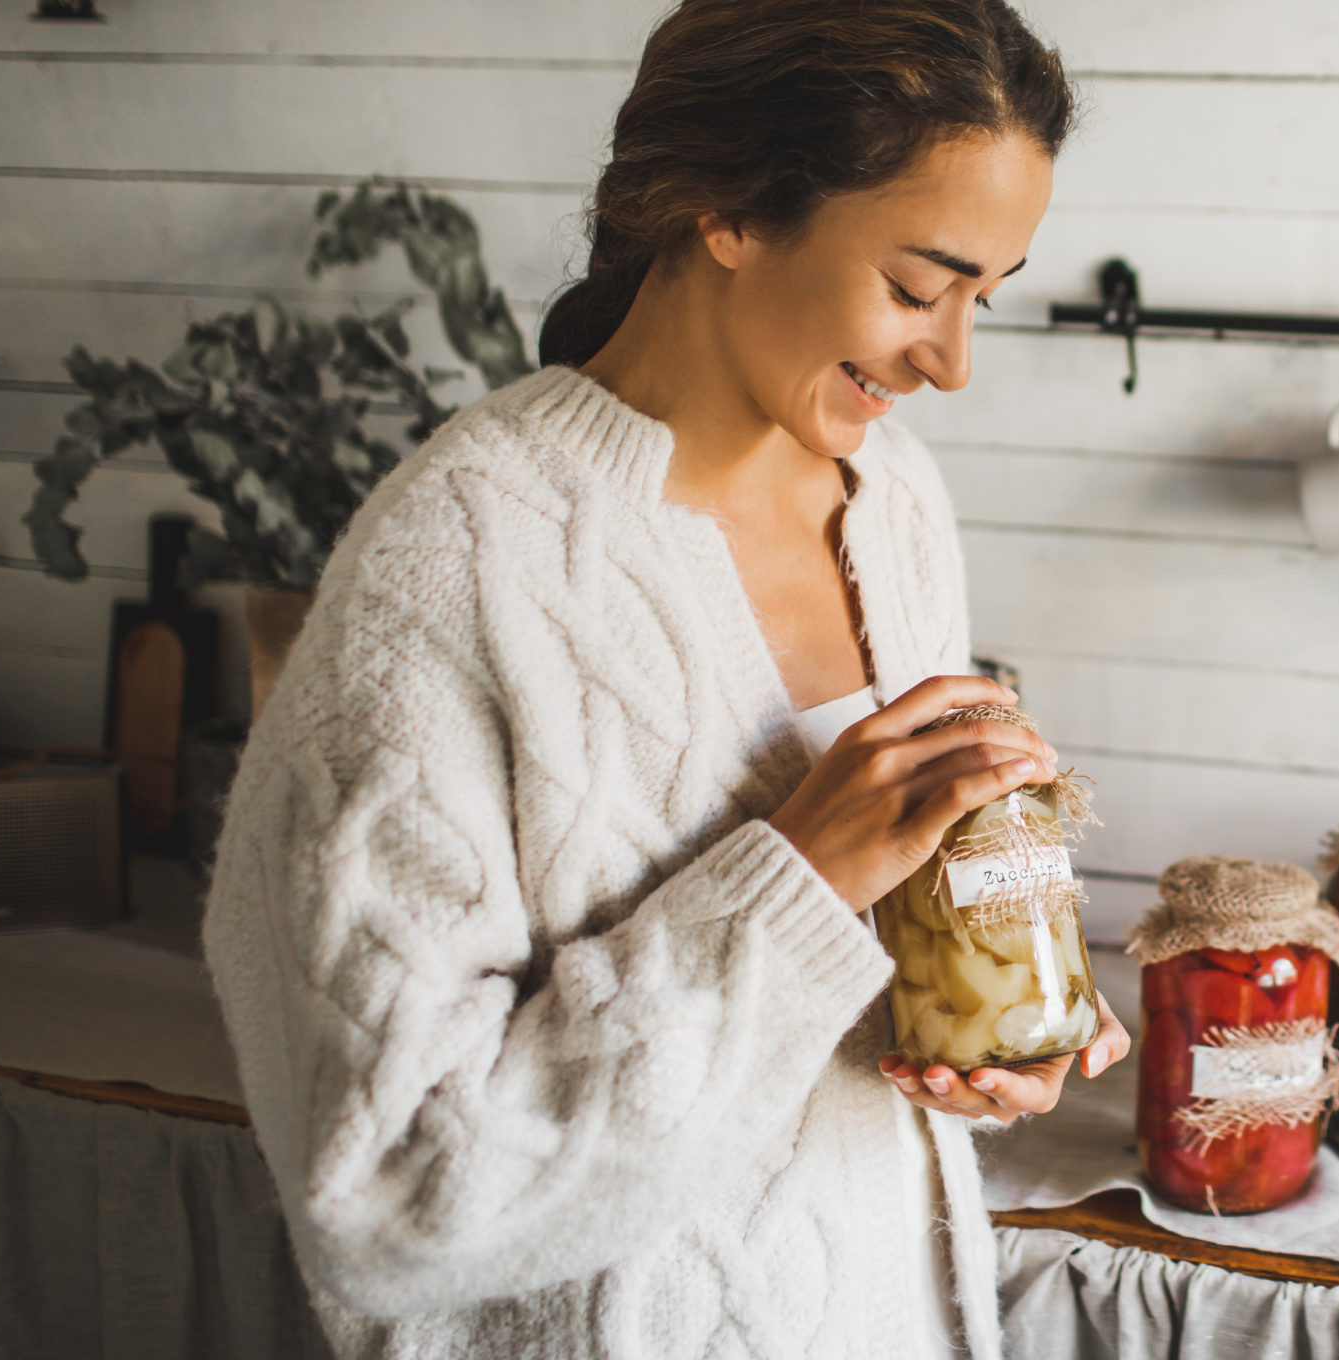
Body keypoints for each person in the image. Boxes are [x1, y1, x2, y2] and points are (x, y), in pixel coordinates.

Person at [199, 3, 1127, 1356]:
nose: (953, 360)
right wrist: (794, 884)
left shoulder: (894, 501)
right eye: (918, 286)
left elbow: (837, 988)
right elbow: (385, 1192)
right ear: (727, 211)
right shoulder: (457, 564)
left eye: (984, 296)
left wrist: (985, 1008)